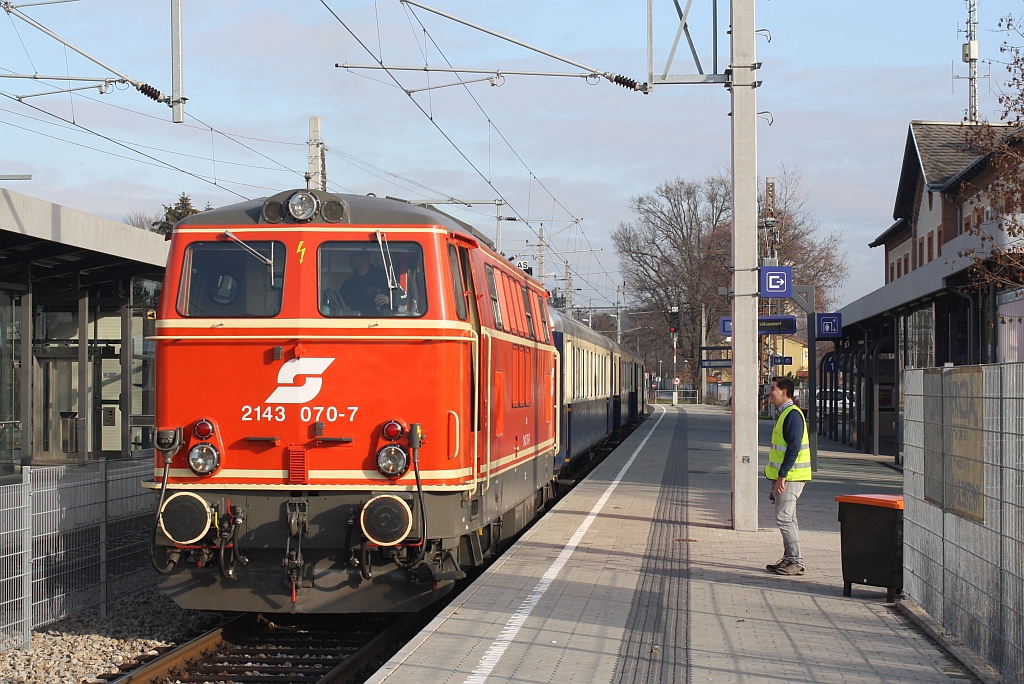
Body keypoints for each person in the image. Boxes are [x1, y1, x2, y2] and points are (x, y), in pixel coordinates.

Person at [764, 376, 812, 576]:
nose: (770, 392)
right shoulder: (785, 414)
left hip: (791, 476)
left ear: (784, 391)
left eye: (773, 389)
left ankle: (795, 561)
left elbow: (793, 447)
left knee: (784, 518)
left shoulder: (792, 415)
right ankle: (790, 559)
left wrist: (782, 475)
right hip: (787, 476)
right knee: (788, 518)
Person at [338, 250, 392, 315]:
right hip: (355, 322)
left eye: (353, 257)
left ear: (365, 258)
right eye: (349, 258)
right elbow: (339, 303)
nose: (350, 261)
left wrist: (389, 300)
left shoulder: (383, 277)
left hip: (380, 322)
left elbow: (403, 298)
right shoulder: (349, 283)